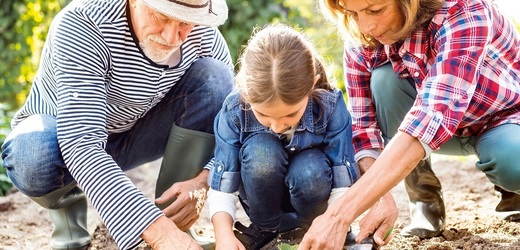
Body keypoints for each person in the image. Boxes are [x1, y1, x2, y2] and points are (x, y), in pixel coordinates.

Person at [0, 0, 234, 249]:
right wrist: (157, 231)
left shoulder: (204, 35)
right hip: (65, 140)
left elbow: (235, 122)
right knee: (31, 154)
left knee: (216, 78)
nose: (171, 37)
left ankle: (174, 219)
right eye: (161, 17)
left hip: (136, 134)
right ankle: (71, 229)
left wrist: (203, 180)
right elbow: (81, 143)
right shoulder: (84, 24)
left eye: (184, 22)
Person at [298, 0, 520, 249]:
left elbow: (430, 117)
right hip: (439, 132)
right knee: (384, 81)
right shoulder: (363, 36)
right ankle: (424, 198)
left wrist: (338, 216)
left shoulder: (465, 10)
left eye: (375, 10)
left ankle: (510, 190)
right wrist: (379, 197)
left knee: (513, 163)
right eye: (353, 13)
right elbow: (364, 132)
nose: (366, 25)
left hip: (502, 120)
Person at [205, 23, 360, 250]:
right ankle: (266, 230)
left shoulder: (330, 106)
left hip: (315, 201)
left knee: (310, 168)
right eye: (264, 115)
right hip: (262, 203)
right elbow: (223, 181)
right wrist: (223, 235)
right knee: (261, 151)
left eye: (290, 114)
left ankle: (311, 230)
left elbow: (342, 177)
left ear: (312, 85)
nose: (277, 126)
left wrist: (335, 224)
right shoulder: (234, 110)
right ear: (245, 93)